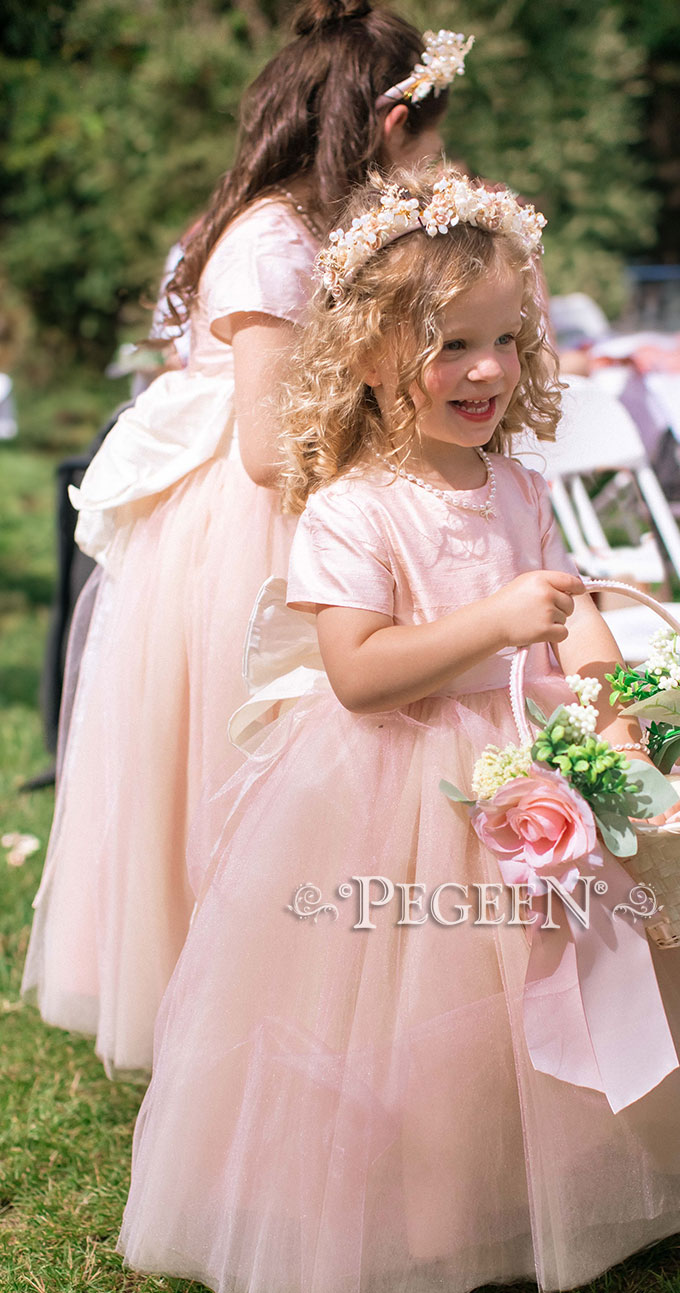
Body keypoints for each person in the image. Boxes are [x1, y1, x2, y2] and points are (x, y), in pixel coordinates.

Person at [117, 169, 680, 1293]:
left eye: (507, 340)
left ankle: (564, 1180)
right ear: (364, 353)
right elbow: (358, 675)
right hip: (406, 789)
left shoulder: (515, 482)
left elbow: (565, 613)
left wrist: (607, 678)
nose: (489, 371)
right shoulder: (351, 507)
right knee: (437, 1016)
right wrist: (492, 624)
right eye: (452, 345)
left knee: (570, 988)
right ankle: (432, 1214)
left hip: (536, 759)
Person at [22, 0, 465, 1078]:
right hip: (256, 527)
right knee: (253, 756)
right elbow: (268, 447)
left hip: (320, 506)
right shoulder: (269, 241)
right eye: (438, 126)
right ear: (388, 121)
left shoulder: (344, 229)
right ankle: (232, 1005)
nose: (448, 149)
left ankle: (320, 995)